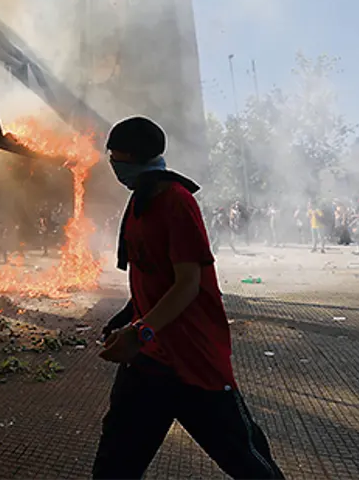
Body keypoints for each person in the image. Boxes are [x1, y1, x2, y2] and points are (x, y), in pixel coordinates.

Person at [92, 116, 285, 480]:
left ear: (131, 156)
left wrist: (140, 331)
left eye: (115, 157)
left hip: (192, 361)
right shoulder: (139, 203)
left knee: (246, 460)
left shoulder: (176, 203)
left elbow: (187, 284)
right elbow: (152, 277)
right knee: (114, 463)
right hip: (147, 364)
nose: (113, 165)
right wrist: (128, 316)